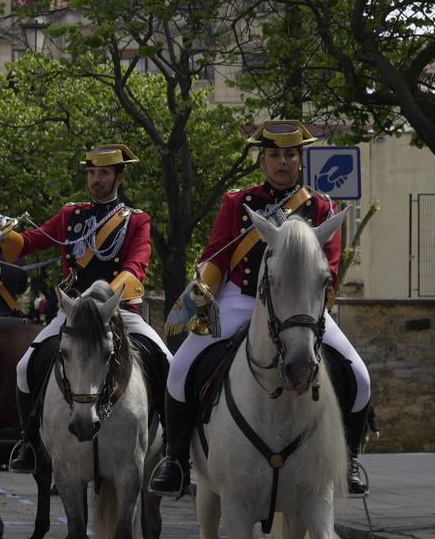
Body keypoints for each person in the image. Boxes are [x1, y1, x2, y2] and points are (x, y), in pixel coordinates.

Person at [152, 120, 374, 497]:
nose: (282, 162)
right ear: (263, 161)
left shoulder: (320, 207)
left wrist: (318, 300)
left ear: (300, 161)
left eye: (290, 155)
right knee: (180, 368)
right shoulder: (237, 203)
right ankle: (176, 459)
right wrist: (205, 286)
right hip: (241, 299)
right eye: (274, 155)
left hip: (301, 307)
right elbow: (217, 255)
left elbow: (331, 266)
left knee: (362, 378)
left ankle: (349, 459)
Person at [0, 144, 169, 474]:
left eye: (104, 173)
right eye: (92, 172)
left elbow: (137, 267)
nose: (96, 179)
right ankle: (29, 443)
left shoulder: (136, 221)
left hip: (118, 310)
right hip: (73, 311)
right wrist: (0, 233)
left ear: (118, 177)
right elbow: (30, 243)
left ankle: (171, 451)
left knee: (169, 362)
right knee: (24, 366)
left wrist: (104, 298)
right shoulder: (71, 216)